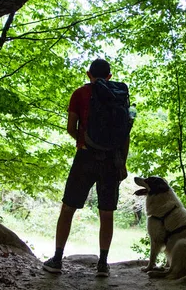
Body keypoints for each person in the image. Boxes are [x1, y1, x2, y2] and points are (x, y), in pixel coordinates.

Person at [42, 59, 131, 277]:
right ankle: (102, 264)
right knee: (107, 212)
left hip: (85, 157)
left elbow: (71, 128)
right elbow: (125, 134)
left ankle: (56, 259)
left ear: (88, 73)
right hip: (112, 160)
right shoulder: (120, 95)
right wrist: (122, 162)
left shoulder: (80, 94)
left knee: (68, 208)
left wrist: (83, 140)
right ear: (109, 77)